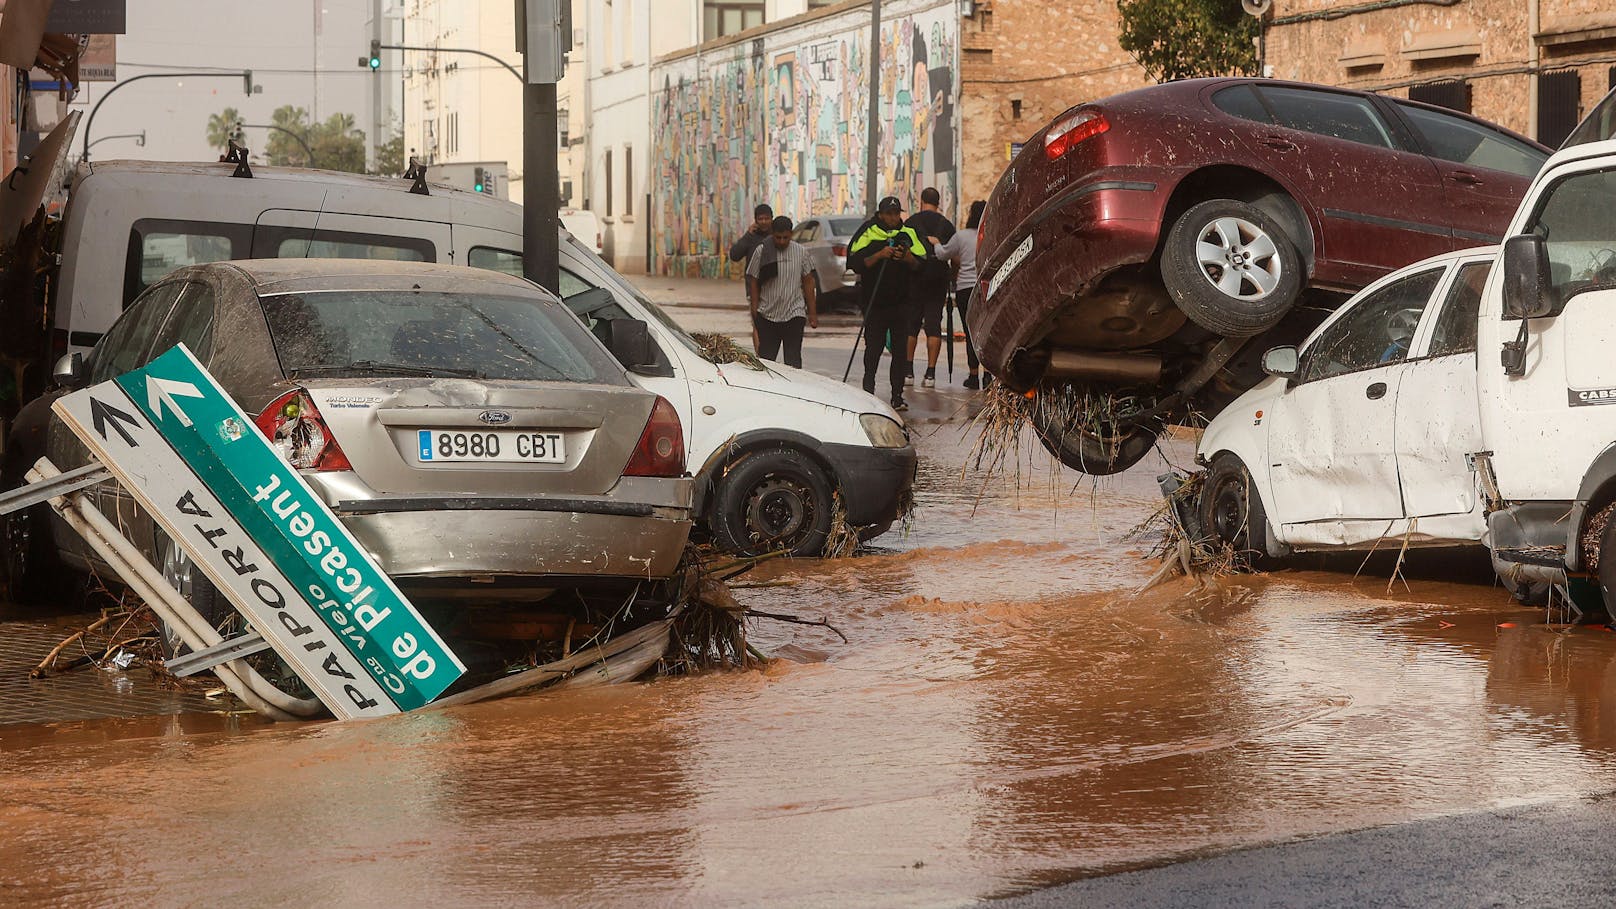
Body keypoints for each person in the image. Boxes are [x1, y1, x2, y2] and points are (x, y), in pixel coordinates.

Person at [848, 195, 927, 411]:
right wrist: (879, 255)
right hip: (875, 303)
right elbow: (854, 262)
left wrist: (908, 258)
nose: (893, 218)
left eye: (896, 213)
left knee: (900, 351)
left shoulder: (909, 232)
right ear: (881, 214)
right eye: (889, 214)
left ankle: (897, 395)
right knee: (873, 349)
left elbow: (923, 263)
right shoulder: (869, 231)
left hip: (902, 303)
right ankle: (868, 390)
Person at [745, 215, 818, 368]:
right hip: (768, 315)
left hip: (794, 313)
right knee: (766, 362)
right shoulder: (762, 251)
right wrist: (754, 308)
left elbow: (808, 281)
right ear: (772, 234)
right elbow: (753, 280)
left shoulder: (801, 252)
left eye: (785, 237)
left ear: (791, 235)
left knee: (793, 362)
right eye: (778, 238)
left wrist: (812, 313)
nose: (782, 241)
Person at [903, 187, 956, 388]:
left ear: (921, 201)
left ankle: (908, 371)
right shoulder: (947, 226)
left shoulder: (910, 223)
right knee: (933, 326)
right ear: (938, 202)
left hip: (914, 279)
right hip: (937, 280)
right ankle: (931, 374)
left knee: (911, 326)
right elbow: (954, 256)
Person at [937, 200, 986, 390]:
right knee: (985, 331)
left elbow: (943, 254)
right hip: (985, 288)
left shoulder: (962, 236)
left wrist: (934, 244)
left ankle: (973, 376)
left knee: (970, 333)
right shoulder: (990, 234)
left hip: (965, 288)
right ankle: (988, 375)